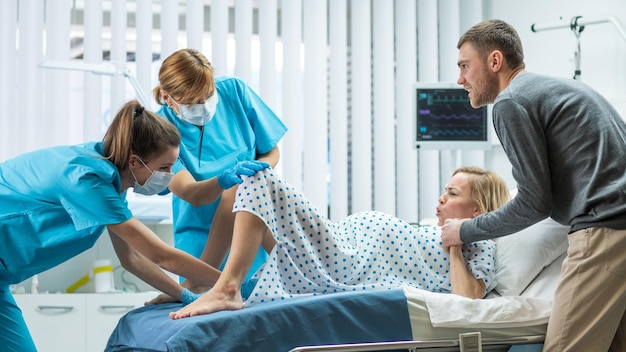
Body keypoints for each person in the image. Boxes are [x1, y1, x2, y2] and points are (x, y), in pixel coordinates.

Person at [441, 19, 626, 352]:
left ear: (494, 61)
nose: (460, 79)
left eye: (465, 67)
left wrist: (464, 230)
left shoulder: (511, 102)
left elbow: (534, 202)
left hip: (605, 230)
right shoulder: (560, 89)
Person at [0, 100, 221, 352]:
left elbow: (132, 259)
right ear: (135, 161)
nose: (170, 176)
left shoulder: (112, 183)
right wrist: (230, 283)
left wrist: (183, 295)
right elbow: (161, 255)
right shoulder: (87, 180)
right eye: (164, 168)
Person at [168, 166, 510, 318]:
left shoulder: (478, 244)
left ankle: (226, 288)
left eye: (450, 194)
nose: (440, 199)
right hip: (341, 245)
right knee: (243, 187)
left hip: (346, 262)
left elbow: (467, 300)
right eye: (442, 191)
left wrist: (456, 240)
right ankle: (210, 282)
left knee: (259, 179)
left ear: (477, 209)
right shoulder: (430, 229)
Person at [152, 48, 288, 282]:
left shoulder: (234, 91)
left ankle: (297, 271)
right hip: (200, 239)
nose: (204, 106)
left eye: (209, 95)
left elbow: (271, 151)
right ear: (167, 98)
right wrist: (226, 180)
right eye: (193, 102)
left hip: (250, 230)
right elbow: (191, 193)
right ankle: (199, 283)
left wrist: (258, 172)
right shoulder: (158, 130)